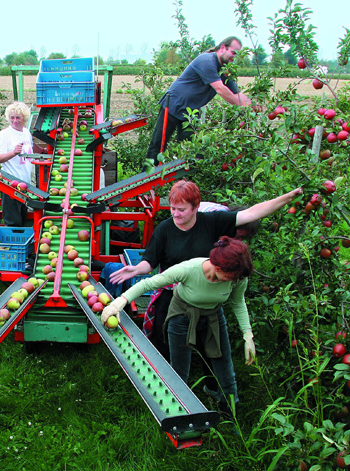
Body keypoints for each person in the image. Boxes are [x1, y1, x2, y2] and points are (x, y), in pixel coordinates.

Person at [109, 180, 301, 359]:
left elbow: (252, 213)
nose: (175, 214)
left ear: (196, 207)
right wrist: (136, 270)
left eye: (181, 210)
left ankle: (210, 383)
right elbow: (150, 262)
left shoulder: (211, 221)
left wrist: (288, 197)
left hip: (205, 289)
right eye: (173, 208)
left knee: (208, 344)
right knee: (163, 341)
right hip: (172, 292)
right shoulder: (165, 229)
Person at [102, 237, 255, 414]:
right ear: (218, 268)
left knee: (225, 368)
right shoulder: (190, 269)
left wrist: (247, 334)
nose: (233, 281)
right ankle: (176, 413)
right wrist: (119, 302)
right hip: (182, 314)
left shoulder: (237, 277)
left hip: (213, 316)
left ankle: (230, 413)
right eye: (230, 277)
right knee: (180, 368)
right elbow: (149, 283)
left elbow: (238, 302)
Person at [144, 36, 254, 172]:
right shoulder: (207, 61)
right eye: (234, 53)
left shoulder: (225, 71)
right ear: (223, 48)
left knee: (191, 152)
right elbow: (221, 90)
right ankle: (143, 187)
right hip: (172, 105)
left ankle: (184, 188)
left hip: (190, 113)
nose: (235, 58)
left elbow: (237, 94)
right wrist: (242, 104)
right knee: (158, 146)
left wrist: (252, 106)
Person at [0, 101, 34, 227]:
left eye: (18, 117)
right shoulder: (5, 134)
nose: (15, 120)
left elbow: (30, 151)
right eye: (12, 117)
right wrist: (13, 152)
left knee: (23, 217)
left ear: (24, 118)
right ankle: (13, 244)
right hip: (10, 183)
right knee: (13, 221)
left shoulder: (26, 133)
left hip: (24, 183)